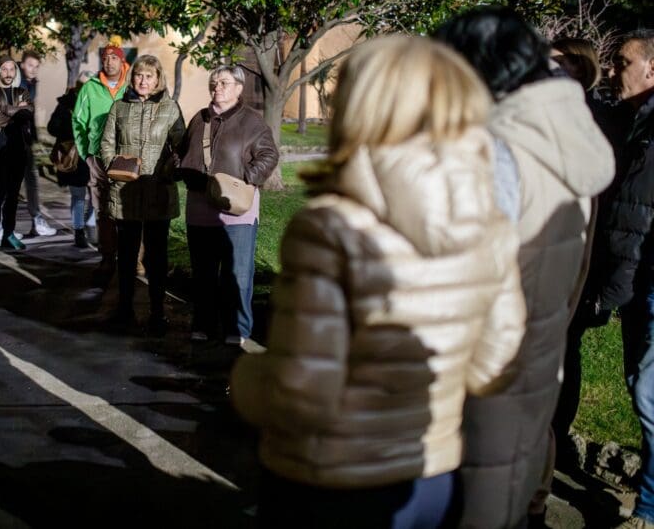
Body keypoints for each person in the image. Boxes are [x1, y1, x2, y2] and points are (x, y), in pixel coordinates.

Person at [231, 35, 526, 529]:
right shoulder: (487, 222)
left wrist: (247, 381)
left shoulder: (331, 229)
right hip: (432, 475)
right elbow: (494, 365)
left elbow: (302, 395)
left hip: (332, 480)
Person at [434, 7, 615, 529]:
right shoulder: (564, 136)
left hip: (486, 357)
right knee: (511, 482)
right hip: (539, 338)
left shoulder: (500, 147)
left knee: (479, 495)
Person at [575, 30, 654, 529]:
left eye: (622, 62)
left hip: (645, 276)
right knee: (638, 384)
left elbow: (637, 217)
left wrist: (613, 290)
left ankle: (649, 510)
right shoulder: (633, 119)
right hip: (635, 277)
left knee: (648, 392)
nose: (611, 70)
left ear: (651, 68)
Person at [178, 65, 279, 353]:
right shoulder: (200, 119)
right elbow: (184, 151)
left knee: (238, 274)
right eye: (214, 82)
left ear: (238, 88)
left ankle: (238, 328)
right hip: (200, 209)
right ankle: (203, 325)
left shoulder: (252, 121)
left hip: (237, 212)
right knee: (203, 274)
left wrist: (245, 178)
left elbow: (269, 154)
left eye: (224, 82)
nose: (217, 87)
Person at [100, 54, 185, 335]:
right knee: (125, 256)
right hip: (125, 192)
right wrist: (114, 167)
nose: (143, 81)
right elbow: (107, 142)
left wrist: (171, 169)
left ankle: (157, 313)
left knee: (156, 257)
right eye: (139, 75)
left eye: (149, 76)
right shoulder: (119, 107)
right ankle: (124, 309)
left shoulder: (170, 108)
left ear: (158, 79)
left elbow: (180, 146)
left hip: (158, 191)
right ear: (132, 77)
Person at [73, 36, 131, 281]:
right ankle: (107, 257)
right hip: (98, 159)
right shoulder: (90, 88)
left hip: (126, 158)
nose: (109, 62)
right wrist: (86, 154)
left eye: (114, 57)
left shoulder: (133, 86)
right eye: (105, 58)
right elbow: (78, 121)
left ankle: (132, 258)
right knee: (103, 210)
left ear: (122, 61)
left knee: (128, 209)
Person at [0, 55, 34, 251]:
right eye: (4, 69)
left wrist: (2, 109)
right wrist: (16, 111)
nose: (8, 73)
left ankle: (8, 234)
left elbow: (28, 114)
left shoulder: (22, 92)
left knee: (13, 194)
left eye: (12, 69)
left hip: (18, 148)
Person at [48, 71, 95, 247]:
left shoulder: (97, 101)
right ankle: (79, 230)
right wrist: (73, 129)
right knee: (78, 196)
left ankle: (90, 225)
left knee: (96, 195)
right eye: (82, 86)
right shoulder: (66, 104)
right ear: (76, 87)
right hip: (74, 158)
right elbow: (52, 127)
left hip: (93, 156)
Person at [20, 49, 57, 237]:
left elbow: (31, 111)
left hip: (26, 138)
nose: (33, 69)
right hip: (13, 139)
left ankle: (36, 220)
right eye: (30, 65)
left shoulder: (31, 83)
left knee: (32, 180)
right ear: (22, 65)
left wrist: (33, 135)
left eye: (36, 66)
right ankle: (2, 227)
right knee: (13, 183)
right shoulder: (17, 83)